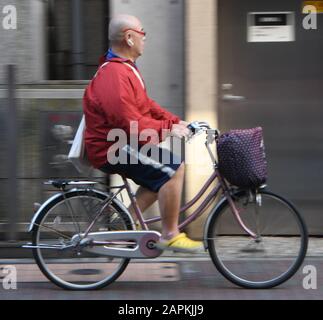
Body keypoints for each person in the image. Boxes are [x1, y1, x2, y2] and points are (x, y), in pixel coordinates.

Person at [83, 14, 203, 253]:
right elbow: (129, 122)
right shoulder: (114, 75)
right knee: (173, 168)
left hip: (121, 141)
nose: (145, 38)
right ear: (129, 37)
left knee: (159, 174)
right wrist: (169, 129)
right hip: (112, 147)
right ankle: (170, 234)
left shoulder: (126, 70)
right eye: (142, 33)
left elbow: (146, 105)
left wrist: (177, 122)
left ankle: (124, 225)